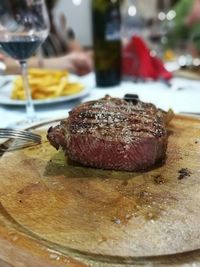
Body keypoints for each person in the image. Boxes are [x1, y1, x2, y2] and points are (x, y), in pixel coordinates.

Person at [1, 0, 92, 76]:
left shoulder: (56, 17)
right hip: (18, 88)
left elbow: (74, 45)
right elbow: (3, 65)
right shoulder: (6, 20)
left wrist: (79, 58)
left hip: (58, 85)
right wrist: (55, 64)